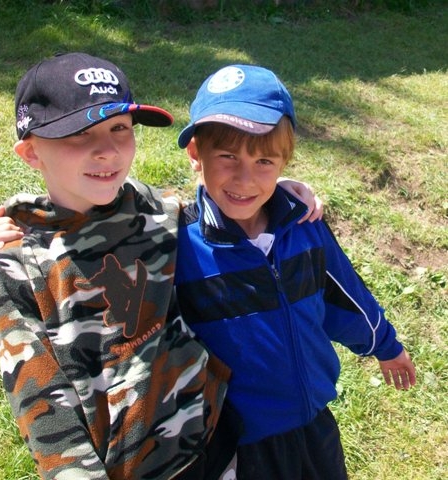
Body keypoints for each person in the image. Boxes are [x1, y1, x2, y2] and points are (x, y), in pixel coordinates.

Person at [0, 53, 321, 480]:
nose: (107, 151)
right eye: (80, 134)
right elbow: (40, 402)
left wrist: (277, 190)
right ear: (31, 152)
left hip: (217, 445)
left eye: (119, 128)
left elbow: (225, 204)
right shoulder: (17, 263)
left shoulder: (157, 211)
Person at [171, 65, 416, 480]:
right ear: (196, 154)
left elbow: (344, 292)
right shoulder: (178, 245)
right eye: (227, 156)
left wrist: (384, 344)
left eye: (264, 161)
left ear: (285, 160)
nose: (245, 178)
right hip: (236, 444)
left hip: (314, 424)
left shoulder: (303, 226)